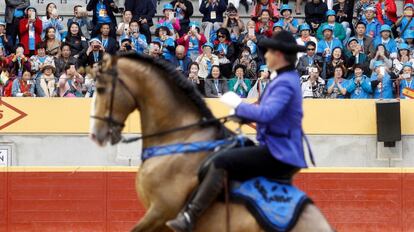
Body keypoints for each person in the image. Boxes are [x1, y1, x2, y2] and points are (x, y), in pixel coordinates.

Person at [166, 30, 309, 232]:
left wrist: (238, 104)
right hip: (280, 148)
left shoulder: (285, 82)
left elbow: (267, 114)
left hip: (279, 152)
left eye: (268, 52)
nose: (265, 55)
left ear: (278, 55)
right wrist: (242, 114)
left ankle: (190, 216)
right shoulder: (285, 79)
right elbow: (270, 114)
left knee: (221, 160)